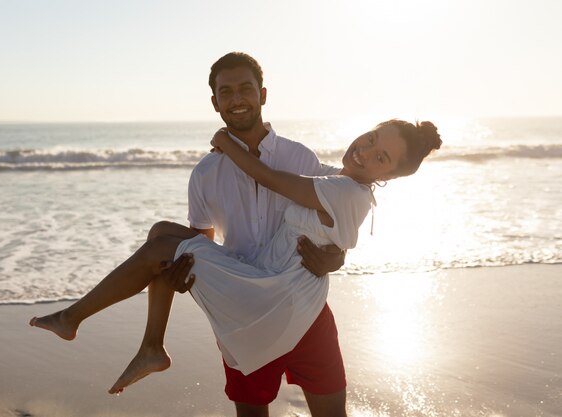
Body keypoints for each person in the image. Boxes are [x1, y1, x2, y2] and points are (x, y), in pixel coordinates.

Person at [29, 52, 441, 417]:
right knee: (161, 239)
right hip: (246, 298)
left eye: (246, 88)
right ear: (215, 102)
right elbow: (198, 241)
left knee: (332, 411)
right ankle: (150, 345)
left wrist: (337, 257)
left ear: (263, 94)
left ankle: (118, 334)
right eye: (226, 92)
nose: (237, 98)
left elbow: (334, 219)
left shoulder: (300, 157)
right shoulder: (206, 173)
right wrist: (177, 276)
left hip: (304, 306)